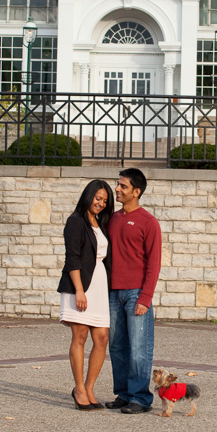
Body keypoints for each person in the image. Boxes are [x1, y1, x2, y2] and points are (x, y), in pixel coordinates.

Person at [105, 167, 162, 414]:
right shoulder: (113, 219)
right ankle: (124, 393)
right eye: (118, 184)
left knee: (139, 348)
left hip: (136, 293)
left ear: (136, 192)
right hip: (112, 293)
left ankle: (140, 398)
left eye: (123, 186)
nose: (117, 189)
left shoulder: (149, 222)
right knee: (116, 346)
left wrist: (145, 297)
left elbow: (154, 262)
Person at [57, 179, 114, 410]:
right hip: (80, 285)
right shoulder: (75, 221)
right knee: (79, 337)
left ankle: (90, 388)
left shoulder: (101, 223)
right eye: (97, 198)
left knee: (101, 338)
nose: (100, 203)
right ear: (88, 195)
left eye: (105, 200)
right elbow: (72, 257)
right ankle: (79, 388)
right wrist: (80, 291)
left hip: (100, 285)